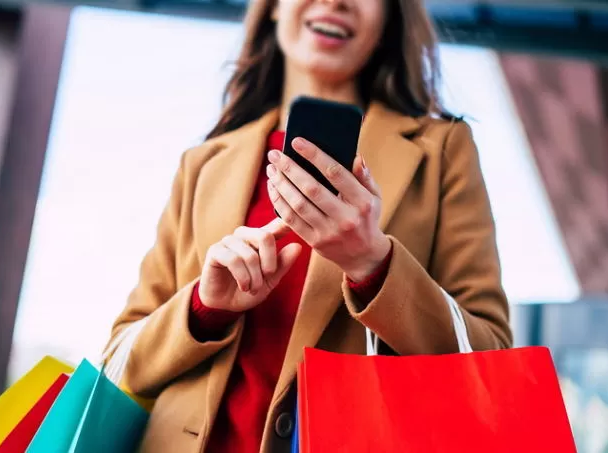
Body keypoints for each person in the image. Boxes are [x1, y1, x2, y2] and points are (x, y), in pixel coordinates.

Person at [104, 0, 512, 451]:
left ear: (390, 18)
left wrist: (374, 264)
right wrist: (204, 307)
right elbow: (117, 362)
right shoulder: (203, 164)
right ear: (273, 8)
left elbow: (489, 358)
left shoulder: (443, 151)